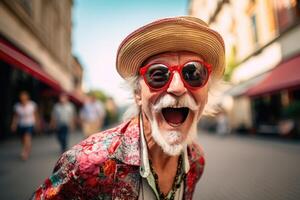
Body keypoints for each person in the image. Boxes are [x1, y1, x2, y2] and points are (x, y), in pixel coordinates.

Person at [32, 16, 225, 199]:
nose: (177, 88)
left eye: (193, 73)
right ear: (138, 95)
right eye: (158, 75)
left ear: (207, 93)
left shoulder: (196, 160)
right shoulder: (85, 163)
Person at [11, 91, 39, 160]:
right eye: (21, 97)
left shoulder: (32, 105)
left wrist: (37, 123)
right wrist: (13, 124)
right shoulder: (17, 106)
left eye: (24, 96)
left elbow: (35, 115)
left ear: (27, 97)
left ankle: (24, 152)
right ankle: (27, 148)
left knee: (27, 137)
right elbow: (16, 116)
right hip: (21, 124)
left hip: (30, 124)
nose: (23, 98)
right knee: (23, 139)